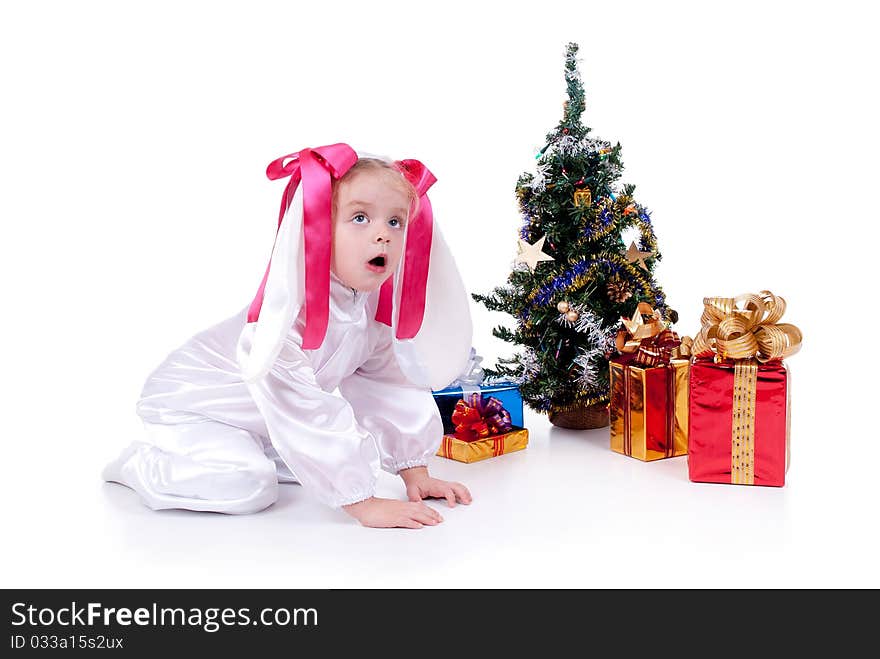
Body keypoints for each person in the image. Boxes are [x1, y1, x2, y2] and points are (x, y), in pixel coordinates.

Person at [103, 143, 474, 528]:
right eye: (361, 217)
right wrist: (362, 503)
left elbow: (387, 384)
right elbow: (301, 406)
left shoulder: (367, 308)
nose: (383, 234)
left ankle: (258, 450)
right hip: (192, 407)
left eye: (395, 222)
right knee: (249, 486)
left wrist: (415, 472)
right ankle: (138, 464)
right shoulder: (287, 316)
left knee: (317, 467)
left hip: (259, 420)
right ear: (319, 230)